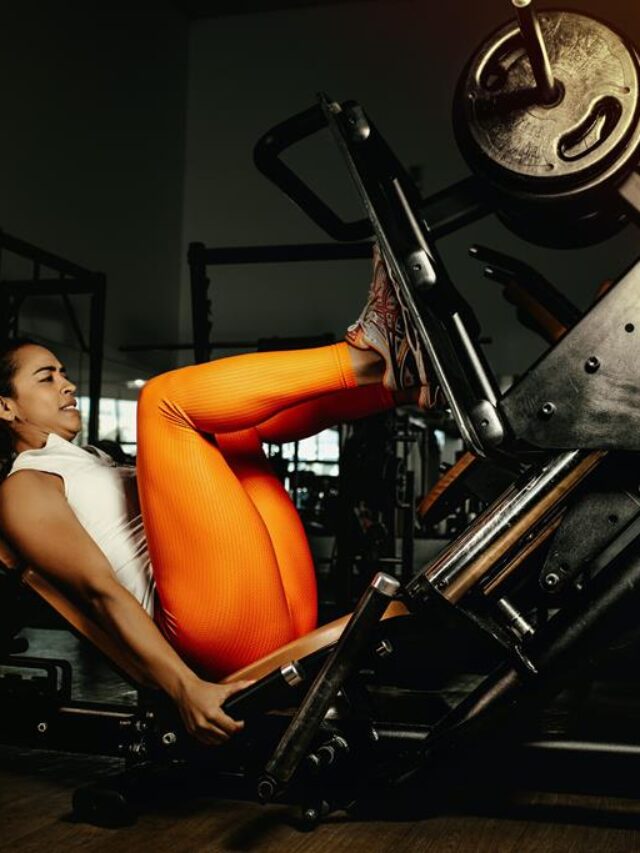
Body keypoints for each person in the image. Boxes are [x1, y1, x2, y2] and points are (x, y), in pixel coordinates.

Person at [0, 249, 432, 745]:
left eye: (62, 372)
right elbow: (101, 593)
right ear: (5, 405)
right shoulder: (25, 485)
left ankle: (398, 386)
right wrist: (185, 689)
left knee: (231, 425)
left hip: (267, 608)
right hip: (213, 636)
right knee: (164, 402)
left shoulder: (91, 461)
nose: (67, 384)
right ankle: (368, 357)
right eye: (46, 377)